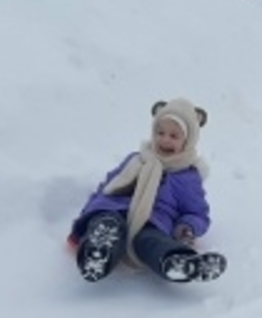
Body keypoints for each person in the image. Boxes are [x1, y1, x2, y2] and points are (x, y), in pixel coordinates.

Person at [67, 98, 227, 284]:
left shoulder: (187, 177)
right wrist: (88, 214)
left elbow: (196, 213)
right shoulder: (137, 159)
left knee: (150, 241)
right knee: (108, 223)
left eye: (174, 136)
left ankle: (178, 262)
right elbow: (105, 188)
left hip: (153, 221)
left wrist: (187, 228)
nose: (165, 139)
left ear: (188, 141)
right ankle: (97, 254)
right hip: (114, 208)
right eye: (160, 133)